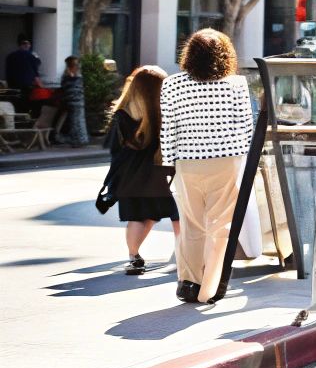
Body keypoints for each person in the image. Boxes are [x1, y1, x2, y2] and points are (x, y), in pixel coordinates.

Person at [160, 29, 255, 305]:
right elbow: (246, 127)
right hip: (227, 160)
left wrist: (169, 163)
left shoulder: (172, 85)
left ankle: (189, 283)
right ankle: (210, 287)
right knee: (220, 226)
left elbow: (168, 128)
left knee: (191, 225)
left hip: (187, 162)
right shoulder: (236, 84)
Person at [102, 66, 179, 275]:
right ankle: (186, 254)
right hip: (155, 173)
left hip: (128, 176)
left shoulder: (121, 114)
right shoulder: (160, 113)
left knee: (138, 216)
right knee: (177, 214)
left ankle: (134, 258)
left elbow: (113, 149)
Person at [56, 56, 88, 146]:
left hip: (72, 100)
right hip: (77, 100)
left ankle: (78, 139)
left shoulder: (68, 74)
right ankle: (80, 139)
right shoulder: (74, 73)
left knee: (75, 121)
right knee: (77, 120)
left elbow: (65, 86)